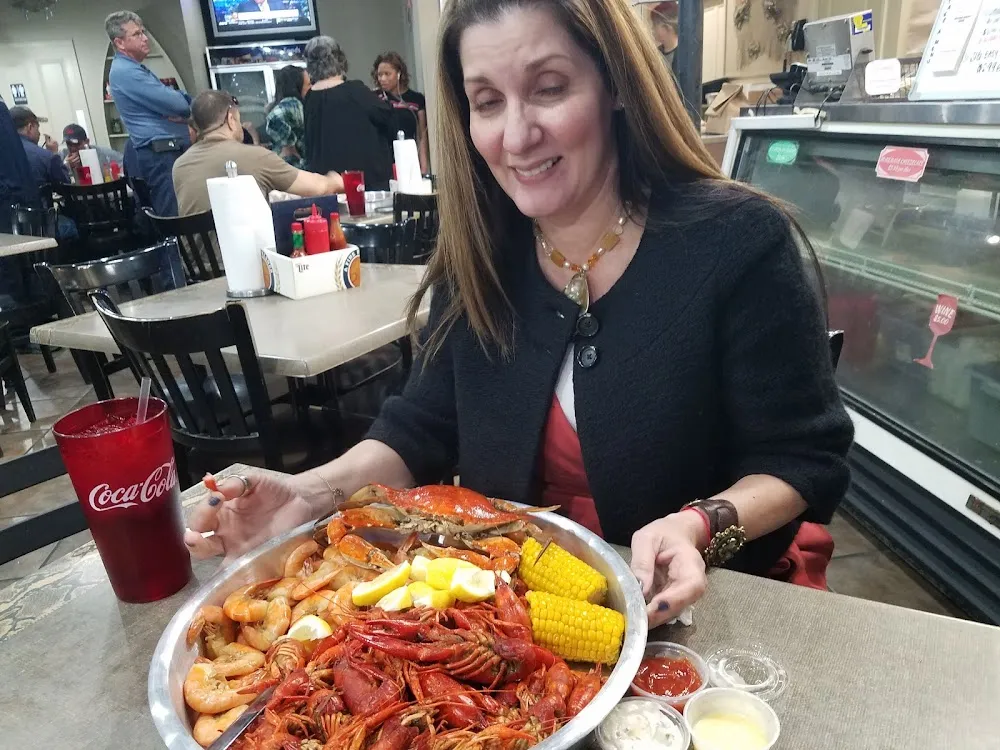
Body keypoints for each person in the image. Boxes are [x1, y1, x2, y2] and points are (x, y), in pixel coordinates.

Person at [186, 0, 853, 630]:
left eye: (549, 88)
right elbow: (422, 426)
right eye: (487, 102)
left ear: (616, 83)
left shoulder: (739, 242)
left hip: (703, 621)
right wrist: (313, 493)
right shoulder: (480, 255)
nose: (516, 134)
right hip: (511, 631)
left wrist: (701, 524)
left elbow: (802, 456)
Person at [172, 90, 344, 216]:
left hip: (195, 265)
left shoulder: (179, 166)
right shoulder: (254, 156)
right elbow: (318, 188)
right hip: (248, 263)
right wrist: (336, 181)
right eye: (239, 119)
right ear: (231, 120)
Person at [106, 10, 192, 217]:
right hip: (162, 155)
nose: (145, 38)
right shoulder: (126, 72)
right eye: (137, 34)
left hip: (167, 153)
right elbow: (178, 104)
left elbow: (172, 100)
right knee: (175, 218)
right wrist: (187, 104)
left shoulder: (133, 68)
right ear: (120, 43)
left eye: (144, 32)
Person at [303, 36, 394, 189]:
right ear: (340, 59)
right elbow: (388, 117)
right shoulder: (355, 91)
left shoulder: (310, 99)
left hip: (328, 187)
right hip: (363, 185)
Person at [373, 51, 429, 174]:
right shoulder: (375, 98)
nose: (382, 79)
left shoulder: (416, 99)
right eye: (379, 75)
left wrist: (423, 167)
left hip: (408, 160)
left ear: (399, 74)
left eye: (387, 74)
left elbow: (422, 135)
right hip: (383, 161)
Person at [11, 106, 70, 188]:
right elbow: (65, 185)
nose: (39, 133)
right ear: (30, 127)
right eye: (37, 128)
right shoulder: (44, 156)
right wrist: (54, 154)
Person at [265, 65, 309, 168]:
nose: (311, 88)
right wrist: (289, 145)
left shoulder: (287, 104)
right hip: (294, 167)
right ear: (297, 86)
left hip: (284, 167)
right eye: (308, 84)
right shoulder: (293, 103)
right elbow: (274, 119)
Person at [60, 124, 124, 178]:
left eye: (77, 144)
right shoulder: (63, 155)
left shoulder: (102, 153)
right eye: (69, 144)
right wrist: (66, 166)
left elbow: (124, 162)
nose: (73, 148)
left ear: (87, 142)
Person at [651, 2, 679, 70]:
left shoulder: (683, 55)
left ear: (667, 27)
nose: (652, 28)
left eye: (655, 25)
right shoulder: (655, 53)